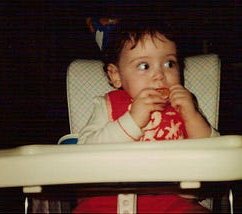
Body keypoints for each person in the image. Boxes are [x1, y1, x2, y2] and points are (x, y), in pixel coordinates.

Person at [74, 18, 219, 213]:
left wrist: (192, 116)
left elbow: (216, 154)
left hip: (172, 202)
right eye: (144, 66)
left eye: (169, 63)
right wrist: (132, 120)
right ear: (115, 75)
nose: (159, 75)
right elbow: (83, 153)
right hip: (105, 201)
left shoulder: (184, 106)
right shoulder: (107, 105)